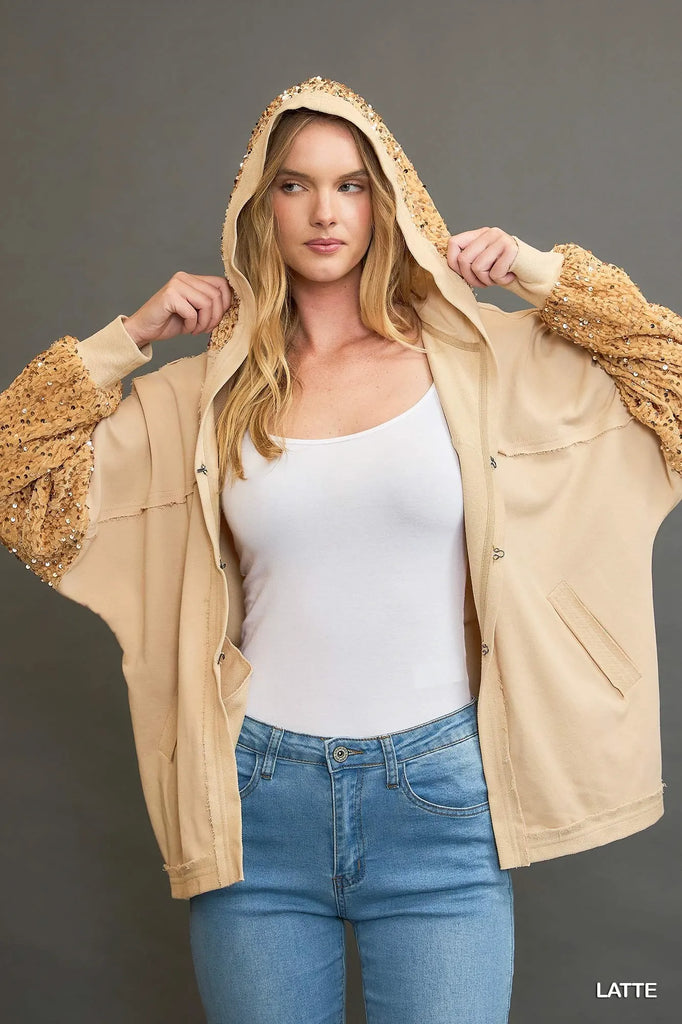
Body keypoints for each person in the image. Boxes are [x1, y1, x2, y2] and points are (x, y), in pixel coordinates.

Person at [1, 76, 681, 1024]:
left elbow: (670, 380)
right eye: (296, 185)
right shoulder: (203, 396)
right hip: (255, 806)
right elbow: (17, 476)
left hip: (443, 798)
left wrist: (546, 276)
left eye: (351, 185)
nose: (325, 212)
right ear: (261, 204)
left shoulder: (482, 363)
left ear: (386, 200)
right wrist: (129, 338)